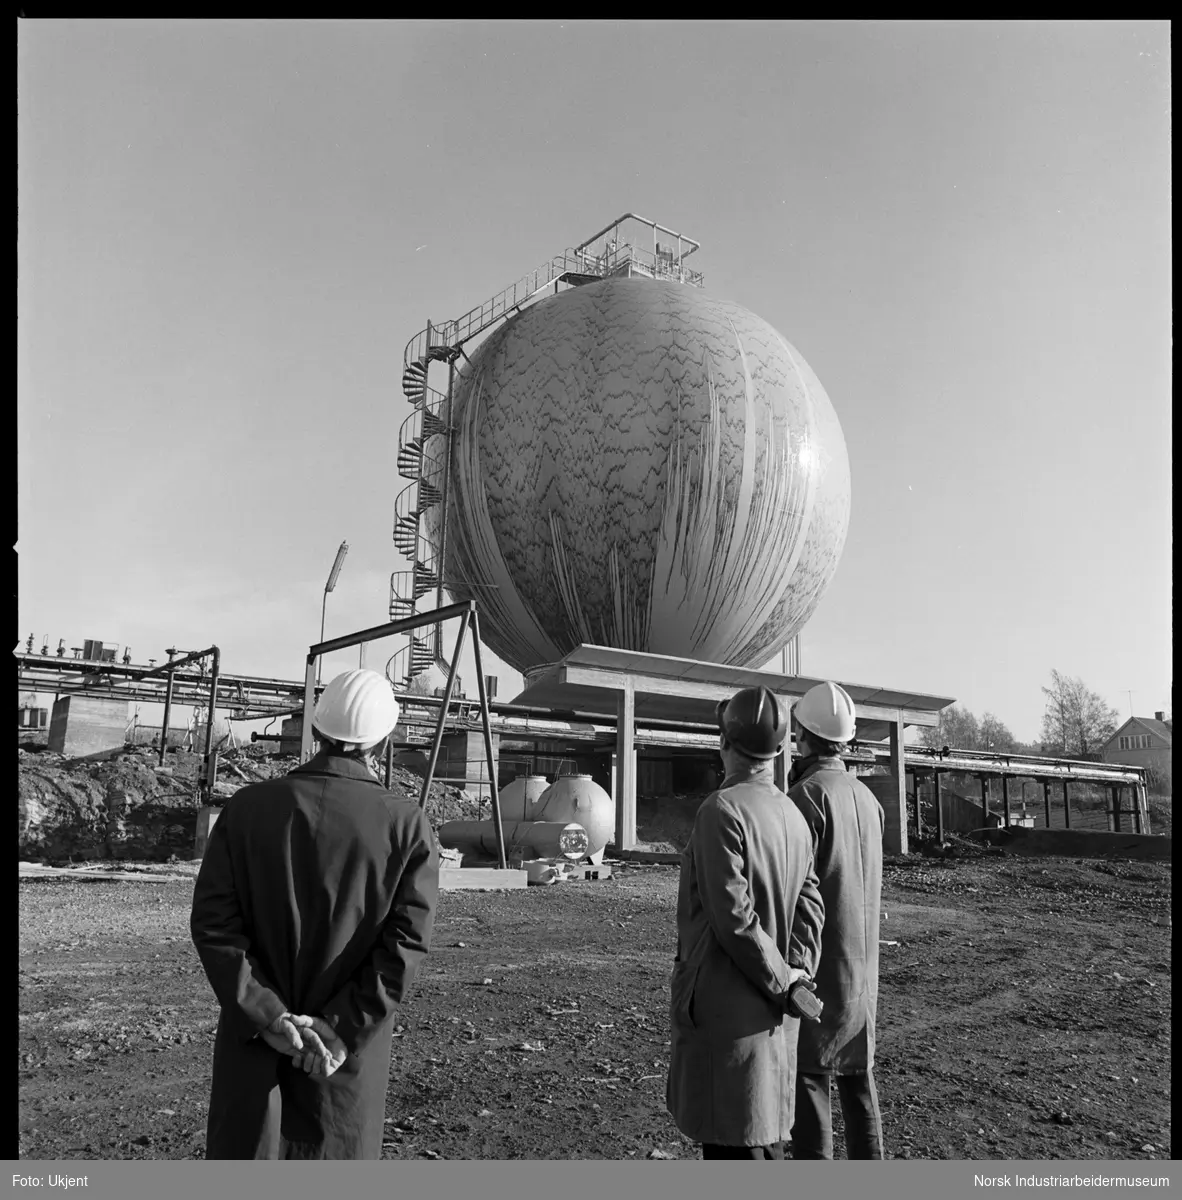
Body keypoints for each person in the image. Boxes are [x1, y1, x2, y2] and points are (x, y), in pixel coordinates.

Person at [190, 668, 439, 1159]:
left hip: (255, 1049)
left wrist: (268, 1016)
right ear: (384, 743)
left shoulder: (246, 809)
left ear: (317, 731)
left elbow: (215, 925)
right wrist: (341, 1029)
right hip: (341, 1064)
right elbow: (406, 943)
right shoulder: (406, 826)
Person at [666, 685, 826, 1159]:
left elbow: (734, 918)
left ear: (724, 743)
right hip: (777, 1025)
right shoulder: (793, 815)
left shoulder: (721, 811)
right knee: (766, 1144)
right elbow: (812, 904)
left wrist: (782, 980)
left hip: (728, 1024)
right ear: (778, 751)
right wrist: (797, 972)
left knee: (735, 1150)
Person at [787, 681, 885, 1160]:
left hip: (820, 968)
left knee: (811, 1081)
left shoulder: (806, 798)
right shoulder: (869, 800)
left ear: (801, 734)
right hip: (863, 972)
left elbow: (795, 893)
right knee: (859, 1084)